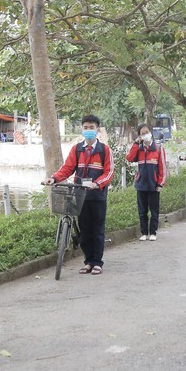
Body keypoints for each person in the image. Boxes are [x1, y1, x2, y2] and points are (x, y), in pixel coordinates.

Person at [45, 115, 114, 274]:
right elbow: (67, 169)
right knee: (84, 230)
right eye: (86, 128)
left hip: (97, 196)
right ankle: (88, 261)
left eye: (92, 128)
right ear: (81, 129)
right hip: (80, 195)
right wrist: (53, 178)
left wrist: (97, 184)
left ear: (97, 130)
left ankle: (97, 262)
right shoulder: (77, 149)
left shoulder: (104, 150)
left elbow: (109, 172)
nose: (88, 130)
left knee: (97, 229)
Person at [126, 123, 167, 241]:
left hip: (154, 185)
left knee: (154, 210)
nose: (146, 135)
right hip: (141, 184)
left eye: (147, 132)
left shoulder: (158, 148)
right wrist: (135, 143)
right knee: (142, 210)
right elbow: (129, 158)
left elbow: (162, 168)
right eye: (142, 134)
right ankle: (144, 232)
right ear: (139, 136)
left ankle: (153, 232)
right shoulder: (138, 149)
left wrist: (160, 183)